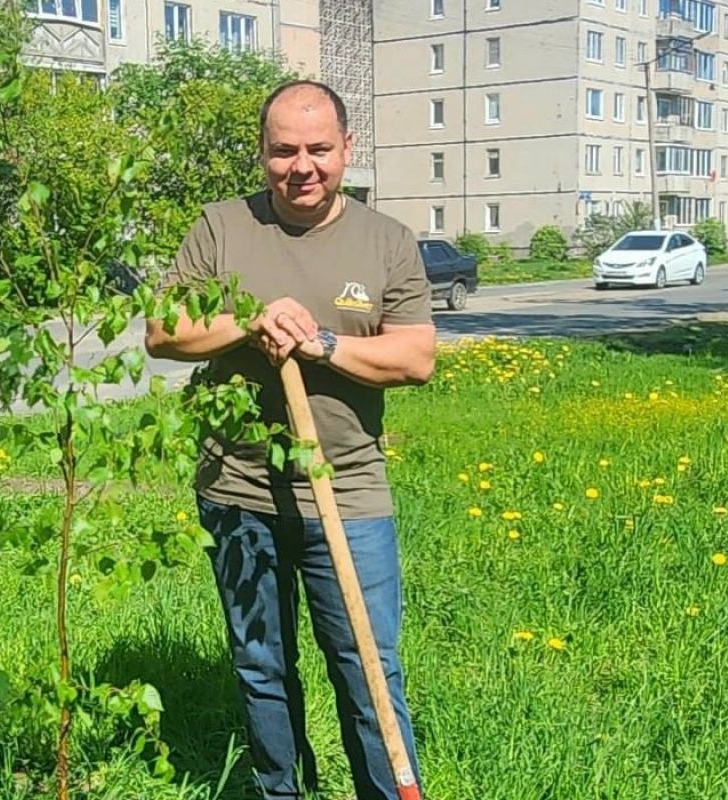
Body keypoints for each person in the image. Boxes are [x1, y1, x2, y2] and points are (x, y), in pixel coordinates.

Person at [144, 79, 436, 800]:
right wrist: (247, 320)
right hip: (238, 490)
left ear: (346, 149)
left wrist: (321, 342)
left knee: (367, 663)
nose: (300, 166)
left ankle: (387, 790)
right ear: (261, 152)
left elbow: (415, 357)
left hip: (350, 493)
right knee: (261, 665)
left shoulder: (387, 241)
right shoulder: (220, 229)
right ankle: (282, 792)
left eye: (318, 149)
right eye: (283, 151)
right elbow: (163, 332)